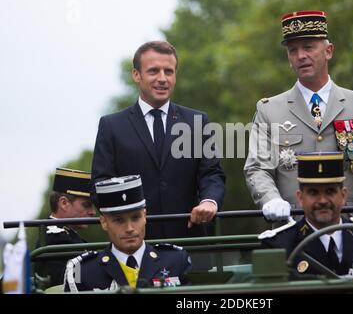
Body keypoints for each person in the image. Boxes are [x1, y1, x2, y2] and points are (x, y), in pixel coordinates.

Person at [244, 10, 353, 221]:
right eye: (292, 50)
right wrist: (270, 199)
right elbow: (257, 168)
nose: (300, 56)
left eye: (308, 47)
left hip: (352, 227)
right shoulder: (268, 110)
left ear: (328, 51)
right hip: (294, 229)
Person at [92, 41, 225, 240]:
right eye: (154, 71)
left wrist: (209, 202)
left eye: (169, 72)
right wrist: (128, 217)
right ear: (136, 75)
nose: (162, 79)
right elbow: (100, 184)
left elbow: (212, 174)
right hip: (135, 245)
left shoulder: (197, 121)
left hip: (189, 242)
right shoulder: (111, 126)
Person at [259, 152, 353, 277]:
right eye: (313, 192)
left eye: (330, 191)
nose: (323, 200)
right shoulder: (279, 246)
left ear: (343, 196)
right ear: (300, 198)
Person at [64, 175, 192, 292]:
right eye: (119, 220)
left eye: (135, 218)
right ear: (104, 222)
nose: (129, 228)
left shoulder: (176, 260)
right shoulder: (80, 269)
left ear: (145, 216)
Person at [35, 167, 96, 286]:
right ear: (64, 203)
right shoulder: (56, 238)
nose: (93, 212)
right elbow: (72, 282)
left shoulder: (64, 235)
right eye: (86, 205)